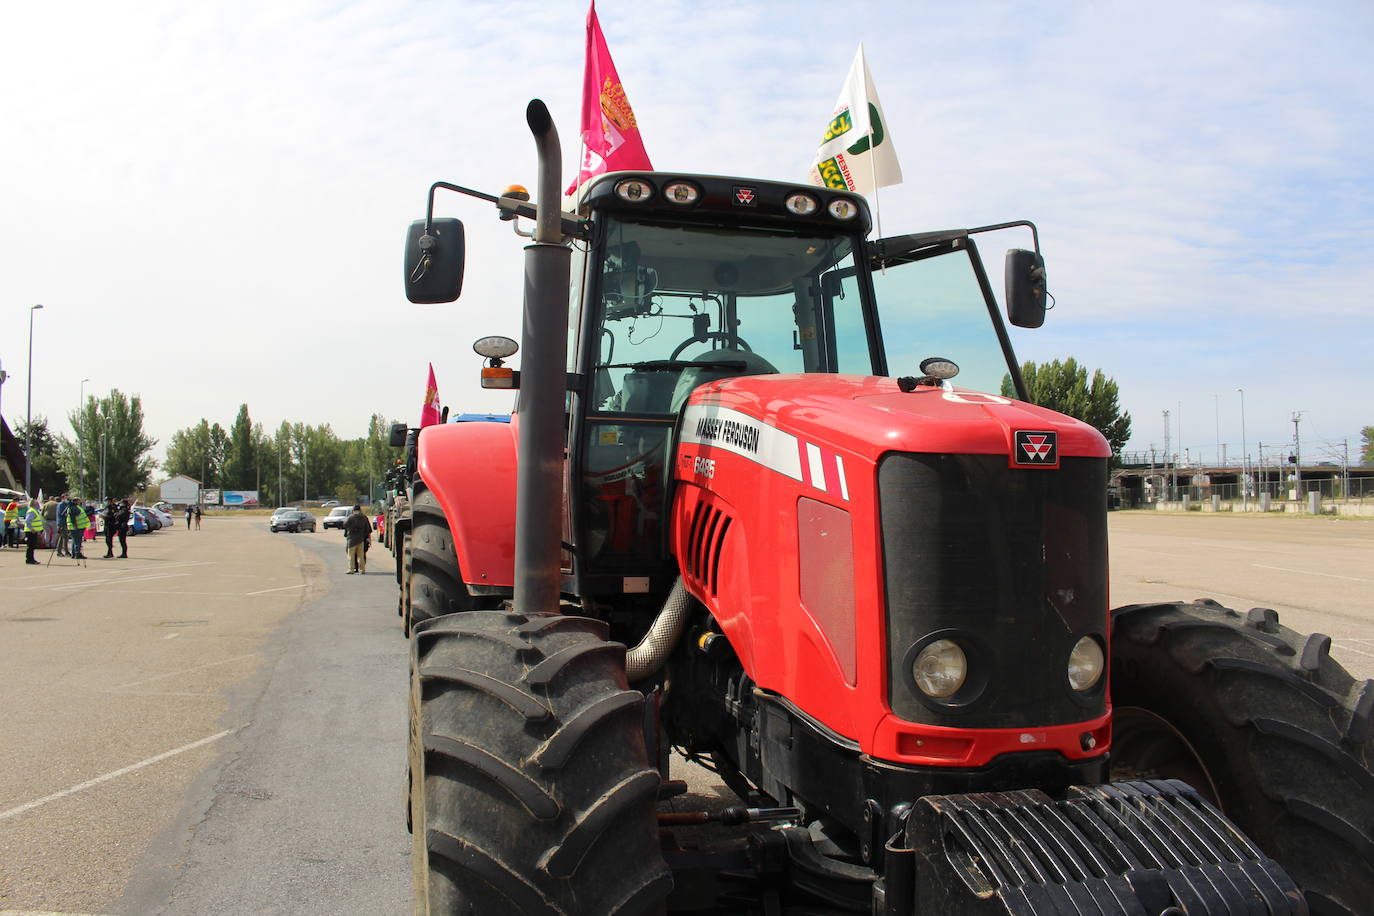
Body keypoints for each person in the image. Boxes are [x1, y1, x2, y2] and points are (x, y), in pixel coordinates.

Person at [342, 504, 371, 574]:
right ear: (360, 510)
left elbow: (345, 525)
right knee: (361, 555)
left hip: (351, 539)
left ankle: (351, 569)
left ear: (353, 510)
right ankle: (362, 569)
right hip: (361, 539)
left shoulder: (350, 517)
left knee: (351, 555)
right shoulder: (364, 517)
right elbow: (368, 529)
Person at [23, 498, 44, 565]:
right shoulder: (32, 511)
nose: (38, 504)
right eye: (37, 503)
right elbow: (27, 521)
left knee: (32, 546)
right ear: (34, 504)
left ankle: (31, 559)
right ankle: (29, 559)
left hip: (34, 531)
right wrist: (32, 529)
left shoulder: (36, 511)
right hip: (31, 531)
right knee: (31, 546)